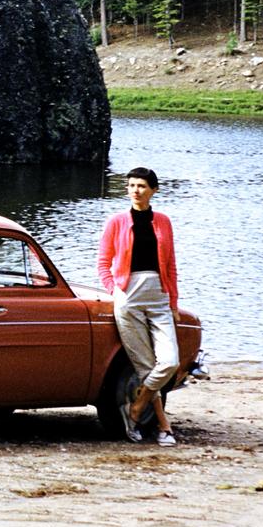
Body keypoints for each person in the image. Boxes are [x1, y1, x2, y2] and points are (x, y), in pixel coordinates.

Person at [96, 166, 180, 446]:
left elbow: (170, 266)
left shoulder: (164, 221)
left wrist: (173, 301)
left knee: (169, 362)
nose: (135, 190)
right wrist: (116, 291)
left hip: (158, 296)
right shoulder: (116, 221)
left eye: (142, 186)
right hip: (128, 296)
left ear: (153, 190)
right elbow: (103, 264)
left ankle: (134, 409)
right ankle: (164, 426)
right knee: (145, 367)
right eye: (131, 185)